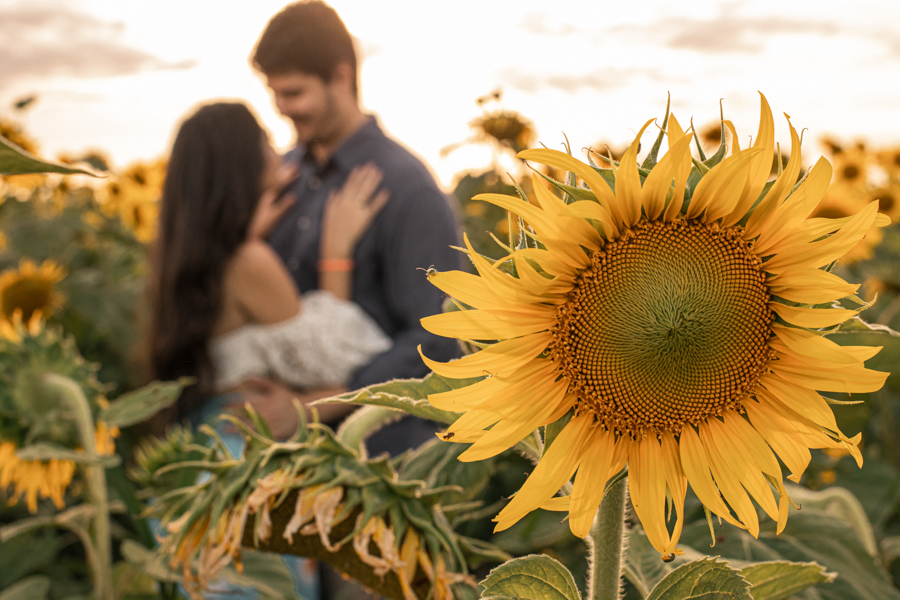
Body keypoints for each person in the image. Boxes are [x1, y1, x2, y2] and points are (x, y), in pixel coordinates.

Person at [247, 0, 461, 450]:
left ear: (341, 77)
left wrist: (316, 404)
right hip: (281, 456)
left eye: (294, 93)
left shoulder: (407, 188)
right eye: (274, 94)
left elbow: (439, 338)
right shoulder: (281, 178)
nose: (282, 108)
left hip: (378, 455)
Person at [147, 102, 392, 431]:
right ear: (244, 160)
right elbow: (331, 359)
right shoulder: (249, 261)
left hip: (207, 434)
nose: (279, 152)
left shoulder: (192, 256)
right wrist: (336, 251)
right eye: (266, 139)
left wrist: (249, 227)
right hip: (245, 446)